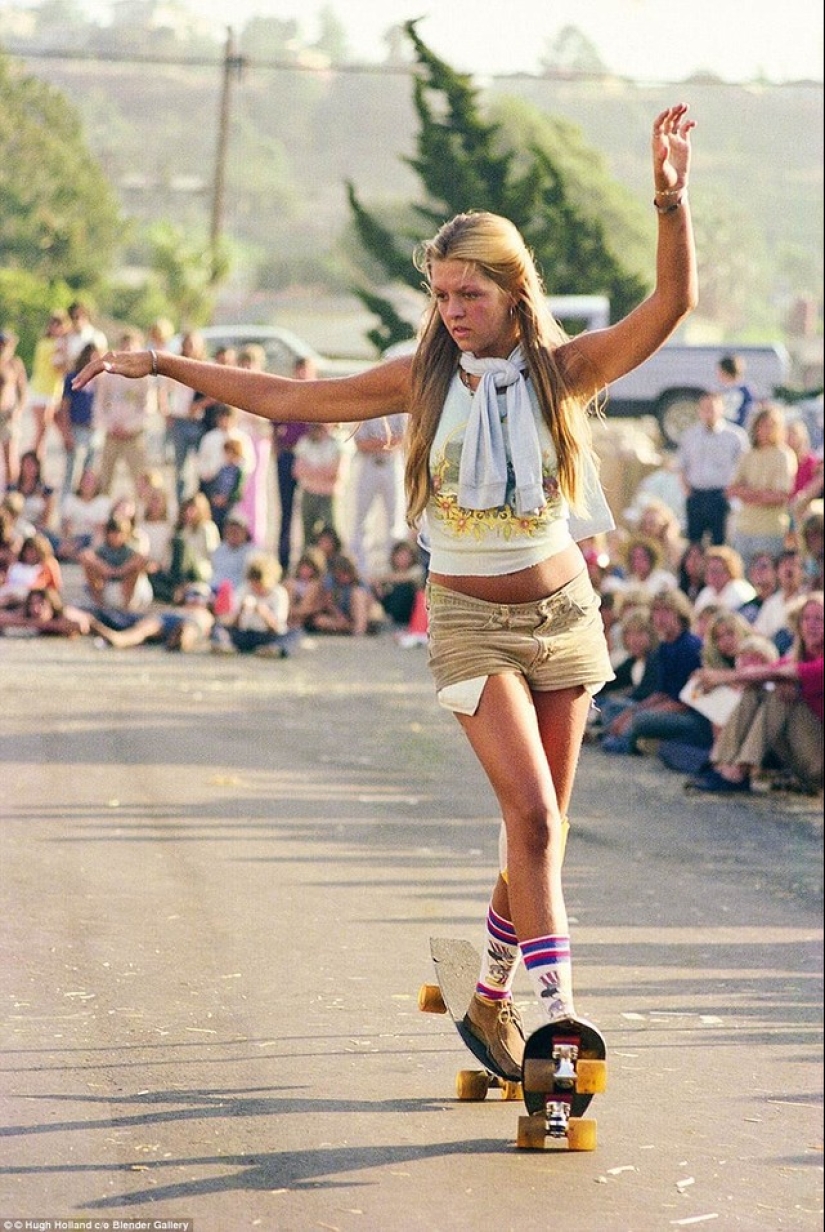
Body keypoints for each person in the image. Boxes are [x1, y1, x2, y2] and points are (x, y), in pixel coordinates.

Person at [73, 104, 697, 1076]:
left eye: (468, 292)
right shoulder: (421, 381)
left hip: (565, 614)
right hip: (469, 621)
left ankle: (489, 997)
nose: (451, 308)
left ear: (511, 289)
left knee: (543, 833)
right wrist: (156, 362)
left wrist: (668, 199)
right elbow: (284, 397)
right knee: (529, 817)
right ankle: (556, 1023)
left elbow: (668, 307)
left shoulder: (564, 373)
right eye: (442, 293)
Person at [687, 592, 823, 795]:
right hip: (798, 753)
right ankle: (720, 762)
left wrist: (723, 677)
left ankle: (741, 770)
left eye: (819, 619)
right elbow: (764, 674)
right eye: (806, 618)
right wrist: (716, 679)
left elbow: (776, 672)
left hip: (817, 758)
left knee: (780, 692)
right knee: (759, 688)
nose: (811, 625)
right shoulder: (798, 656)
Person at [726, 403, 797, 569]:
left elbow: (781, 496)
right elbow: (731, 489)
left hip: (770, 530)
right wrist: (761, 494)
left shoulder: (783, 455)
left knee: (767, 576)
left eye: (771, 426)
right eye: (763, 425)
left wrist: (748, 494)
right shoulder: (747, 454)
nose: (766, 430)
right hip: (744, 527)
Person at [677, 390, 749, 546]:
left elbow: (744, 467)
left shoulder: (735, 436)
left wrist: (734, 492)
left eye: (712, 407)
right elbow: (682, 466)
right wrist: (687, 491)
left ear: (721, 408)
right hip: (696, 495)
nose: (709, 411)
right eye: (705, 407)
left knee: (720, 544)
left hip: (721, 496)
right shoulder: (690, 435)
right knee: (694, 545)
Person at [93, 329, 157, 499]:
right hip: (111, 434)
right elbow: (100, 404)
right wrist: (109, 425)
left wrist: (129, 427)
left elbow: (149, 407)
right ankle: (103, 513)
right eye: (125, 347)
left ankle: (141, 516)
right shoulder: (108, 374)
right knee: (105, 479)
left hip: (134, 436)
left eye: (132, 347)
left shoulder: (145, 376)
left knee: (140, 480)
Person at [347, 413, 408, 581]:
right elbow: (360, 443)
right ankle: (359, 568)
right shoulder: (368, 406)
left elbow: (403, 438)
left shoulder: (399, 410)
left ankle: (395, 565)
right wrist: (386, 443)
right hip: (369, 464)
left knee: (395, 519)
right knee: (361, 518)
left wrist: (381, 444)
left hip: (391, 464)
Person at [272, 357, 312, 572]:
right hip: (288, 455)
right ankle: (283, 559)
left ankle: (309, 562)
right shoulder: (287, 393)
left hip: (309, 457)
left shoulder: (317, 393)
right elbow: (275, 424)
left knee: (309, 509)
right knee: (286, 511)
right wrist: (277, 450)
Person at [56, 340, 103, 500]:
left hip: (94, 429)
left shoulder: (101, 379)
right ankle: (66, 507)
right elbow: (64, 407)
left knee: (89, 472)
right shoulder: (72, 377)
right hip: (76, 427)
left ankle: (84, 505)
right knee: (72, 471)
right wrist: (66, 433)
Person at [293, 420, 346, 549]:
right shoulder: (305, 442)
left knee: (331, 532)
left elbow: (336, 472)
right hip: (310, 494)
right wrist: (323, 472)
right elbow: (297, 471)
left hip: (329, 496)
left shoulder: (338, 442)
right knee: (308, 534)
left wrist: (312, 472)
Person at [27, 310, 68, 460]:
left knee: (43, 431)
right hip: (42, 390)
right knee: (41, 430)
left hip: (51, 390)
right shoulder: (51, 344)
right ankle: (32, 460)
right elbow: (59, 366)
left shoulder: (49, 343)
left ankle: (38, 461)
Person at [0, 329, 28, 488]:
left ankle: (11, 492)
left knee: (10, 456)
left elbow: (23, 391)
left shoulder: (14, 363)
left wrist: (17, 410)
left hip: (7, 413)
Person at [693, 545, 756, 615]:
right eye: (708, 570)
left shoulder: (740, 590)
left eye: (717, 570)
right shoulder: (706, 592)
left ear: (730, 570)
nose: (712, 575)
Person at [716, 353, 755, 429]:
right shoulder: (722, 390)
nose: (717, 375)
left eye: (719, 371)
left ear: (725, 372)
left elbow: (748, 413)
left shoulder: (745, 391)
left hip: (738, 429)